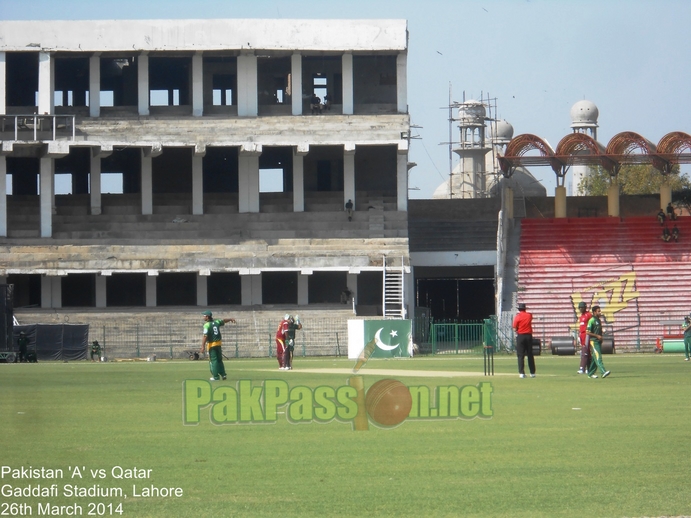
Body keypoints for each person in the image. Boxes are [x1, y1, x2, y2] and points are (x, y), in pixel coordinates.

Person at [200, 310, 236, 381]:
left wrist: (202, 346)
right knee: (219, 360)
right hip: (218, 344)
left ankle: (215, 377)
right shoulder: (216, 322)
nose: (203, 317)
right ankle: (223, 374)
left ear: (207, 317)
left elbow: (205, 336)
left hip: (212, 345)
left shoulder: (206, 325)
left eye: (204, 316)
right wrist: (231, 319)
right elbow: (223, 320)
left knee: (214, 361)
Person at [586, 305, 611, 378]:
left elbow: (598, 331)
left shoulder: (598, 320)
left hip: (598, 341)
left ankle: (590, 374)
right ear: (594, 312)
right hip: (594, 342)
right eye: (598, 311)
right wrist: (597, 336)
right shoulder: (592, 320)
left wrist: (602, 333)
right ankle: (603, 372)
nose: (600, 312)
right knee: (598, 357)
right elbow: (587, 332)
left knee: (594, 359)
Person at [512, 302, 535, 378]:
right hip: (528, 336)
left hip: (521, 336)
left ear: (519, 309)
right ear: (525, 309)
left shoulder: (517, 317)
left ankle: (521, 373)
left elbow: (515, 328)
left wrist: (518, 329)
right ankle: (532, 373)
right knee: (530, 354)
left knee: (520, 355)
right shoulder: (529, 315)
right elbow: (531, 319)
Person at [576, 302, 592, 374]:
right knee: (587, 352)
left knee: (585, 352)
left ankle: (582, 368)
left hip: (587, 334)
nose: (580, 309)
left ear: (585, 307)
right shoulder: (581, 316)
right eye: (579, 308)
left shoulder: (588, 315)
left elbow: (592, 323)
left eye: (581, 307)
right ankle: (589, 368)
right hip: (582, 335)